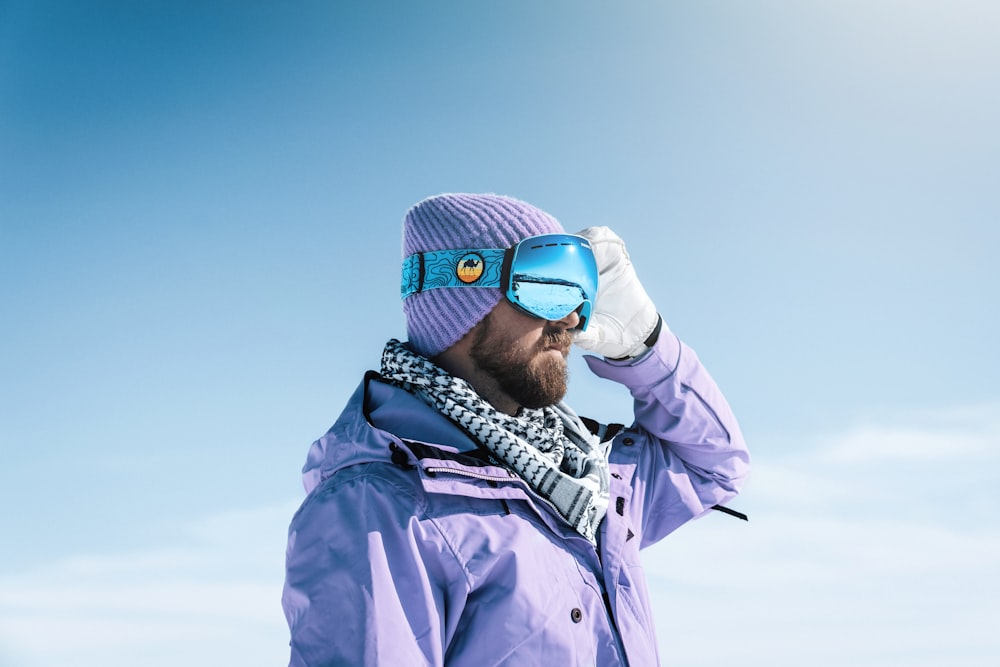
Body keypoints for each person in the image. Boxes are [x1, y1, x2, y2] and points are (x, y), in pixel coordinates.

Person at [281, 193, 750, 666]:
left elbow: (715, 465)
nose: (569, 318)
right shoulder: (378, 509)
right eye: (548, 288)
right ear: (461, 292)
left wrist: (647, 344)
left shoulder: (585, 481)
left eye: (580, 294)